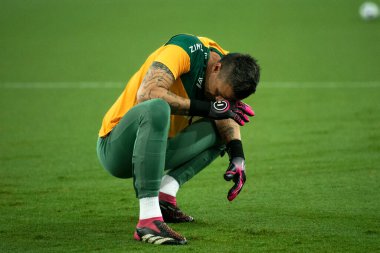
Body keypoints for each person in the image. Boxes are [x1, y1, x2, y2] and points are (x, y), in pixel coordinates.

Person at [96, 34, 260, 245]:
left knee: (224, 127)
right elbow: (147, 93)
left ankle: (166, 195)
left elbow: (225, 113)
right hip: (117, 148)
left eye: (227, 99)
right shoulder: (184, 50)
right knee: (157, 107)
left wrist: (238, 155)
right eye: (219, 93)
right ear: (217, 68)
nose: (219, 100)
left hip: (157, 150)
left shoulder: (229, 66)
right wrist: (208, 108)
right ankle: (148, 219)